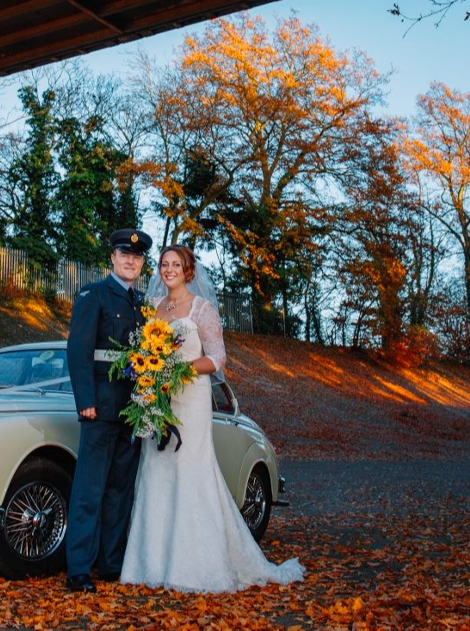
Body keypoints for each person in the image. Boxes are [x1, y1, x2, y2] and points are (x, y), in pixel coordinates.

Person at [119, 244, 304, 592]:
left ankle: (193, 567)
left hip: (190, 400)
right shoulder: (154, 309)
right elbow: (144, 354)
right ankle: (150, 563)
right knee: (157, 472)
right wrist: (152, 374)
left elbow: (218, 358)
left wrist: (179, 368)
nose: (168, 269)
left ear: (188, 271)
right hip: (158, 400)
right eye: (163, 264)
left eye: (176, 264)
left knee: (190, 471)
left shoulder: (202, 309)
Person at [64, 227, 152, 593]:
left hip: (134, 412)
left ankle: (111, 564)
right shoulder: (94, 294)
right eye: (123, 254)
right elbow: (78, 351)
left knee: (120, 492)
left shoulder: (144, 304)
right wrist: (85, 400)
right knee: (89, 489)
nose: (130, 260)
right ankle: (79, 569)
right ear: (112, 258)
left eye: (136, 257)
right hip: (99, 408)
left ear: (142, 263)